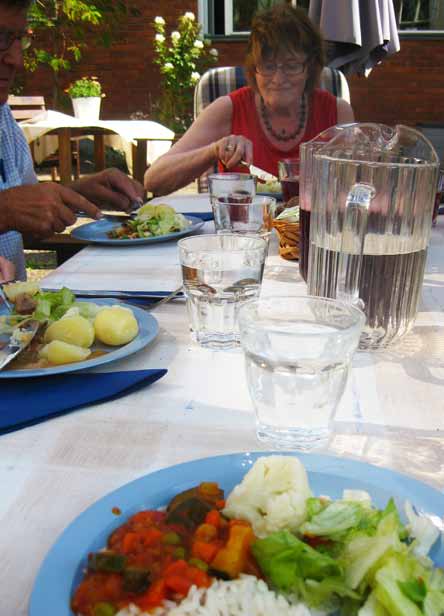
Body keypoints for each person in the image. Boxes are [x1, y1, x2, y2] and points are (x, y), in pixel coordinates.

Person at [0, 0, 144, 280]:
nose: (16, 59)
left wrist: (78, 194)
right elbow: (10, 208)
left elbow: (26, 216)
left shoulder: (3, 118)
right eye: (1, 38)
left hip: (18, 320)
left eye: (20, 39)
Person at [145, 3, 354, 196]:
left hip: (314, 234)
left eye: (291, 66)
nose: (279, 79)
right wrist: (213, 150)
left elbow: (353, 188)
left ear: (310, 68)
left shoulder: (337, 112)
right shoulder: (228, 109)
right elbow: (154, 180)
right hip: (244, 234)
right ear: (254, 69)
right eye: (268, 66)